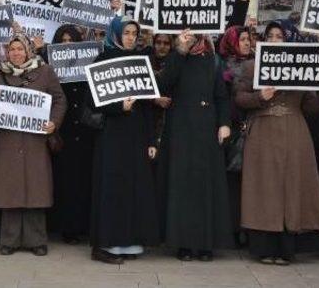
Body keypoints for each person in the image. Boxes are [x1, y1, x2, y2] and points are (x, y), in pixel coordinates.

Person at [234, 21, 319, 265]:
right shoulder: (251, 66)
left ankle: (286, 249)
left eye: (280, 36)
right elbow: (239, 98)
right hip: (263, 132)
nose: (276, 39)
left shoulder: (302, 64)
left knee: (290, 187)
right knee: (264, 189)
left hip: (294, 132)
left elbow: (310, 108)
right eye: (271, 35)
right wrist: (260, 96)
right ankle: (263, 248)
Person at [0, 34, 67, 256]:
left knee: (35, 188)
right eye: (12, 49)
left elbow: (59, 100)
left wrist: (54, 123)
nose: (16, 53)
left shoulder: (45, 71)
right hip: (8, 140)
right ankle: (9, 240)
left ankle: (36, 240)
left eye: (20, 49)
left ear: (29, 51)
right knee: (10, 189)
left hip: (35, 140)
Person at [89, 17, 160, 265]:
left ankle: (129, 242)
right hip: (112, 136)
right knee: (112, 189)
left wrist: (151, 140)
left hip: (137, 135)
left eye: (134, 33)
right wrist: (119, 106)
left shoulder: (141, 62)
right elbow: (93, 101)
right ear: (117, 34)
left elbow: (148, 105)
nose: (131, 37)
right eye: (126, 32)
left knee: (134, 188)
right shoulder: (103, 60)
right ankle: (105, 244)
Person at [159, 29, 233, 262]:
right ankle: (183, 243)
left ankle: (205, 244)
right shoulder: (175, 57)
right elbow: (164, 83)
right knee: (183, 187)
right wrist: (180, 51)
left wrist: (224, 123)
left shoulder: (212, 60)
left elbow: (222, 96)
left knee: (205, 187)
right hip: (181, 130)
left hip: (207, 130)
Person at [48, 24, 95, 245]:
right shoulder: (50, 66)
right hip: (62, 131)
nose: (67, 44)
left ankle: (82, 225)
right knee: (65, 180)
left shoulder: (89, 64)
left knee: (83, 180)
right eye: (63, 41)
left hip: (85, 131)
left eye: (71, 40)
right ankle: (66, 227)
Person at [218, 25, 253, 246]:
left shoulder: (261, 63)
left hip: (254, 127)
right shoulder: (222, 68)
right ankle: (231, 229)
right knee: (232, 182)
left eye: (249, 39)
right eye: (242, 39)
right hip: (231, 129)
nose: (247, 43)